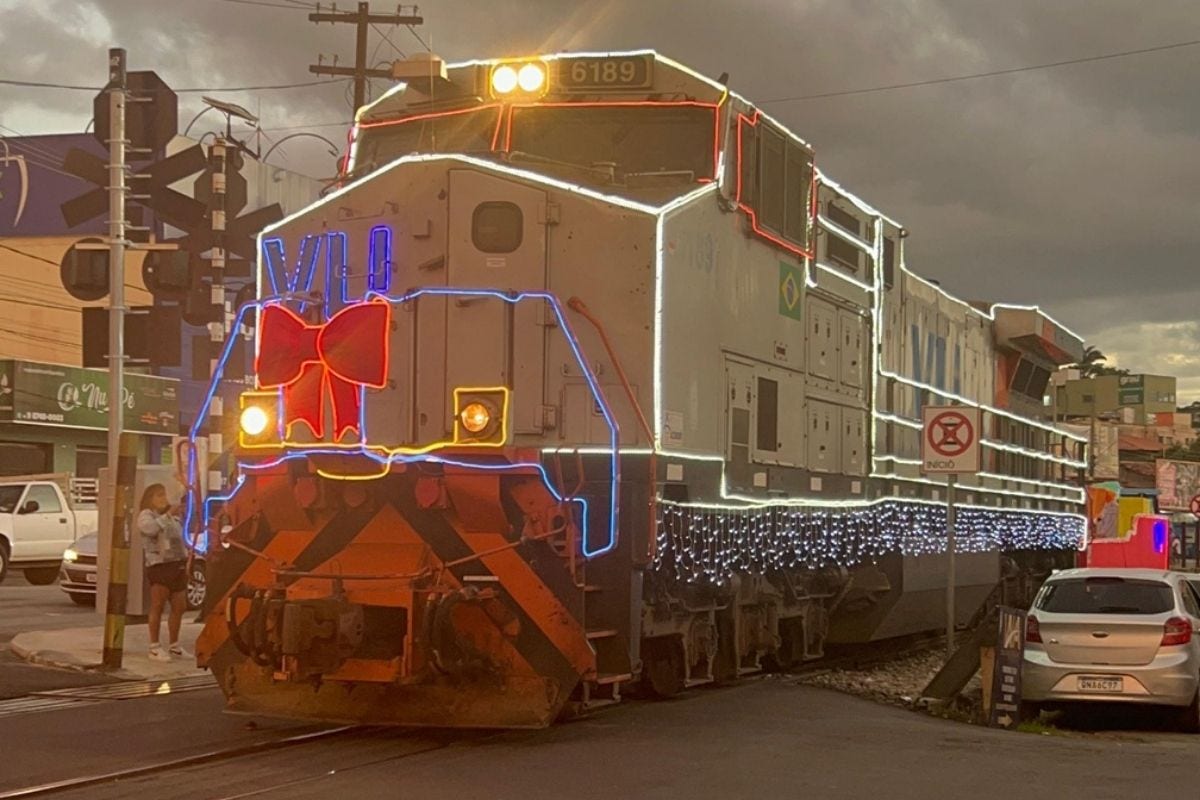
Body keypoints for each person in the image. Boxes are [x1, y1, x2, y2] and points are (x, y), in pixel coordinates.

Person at [136, 483, 188, 662]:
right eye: (158, 495)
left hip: (177, 563)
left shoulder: (172, 517)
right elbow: (149, 529)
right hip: (159, 565)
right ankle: (154, 646)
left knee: (179, 606)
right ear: (150, 498)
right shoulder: (146, 516)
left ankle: (174, 645)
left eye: (164, 495)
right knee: (158, 605)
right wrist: (168, 515)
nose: (163, 499)